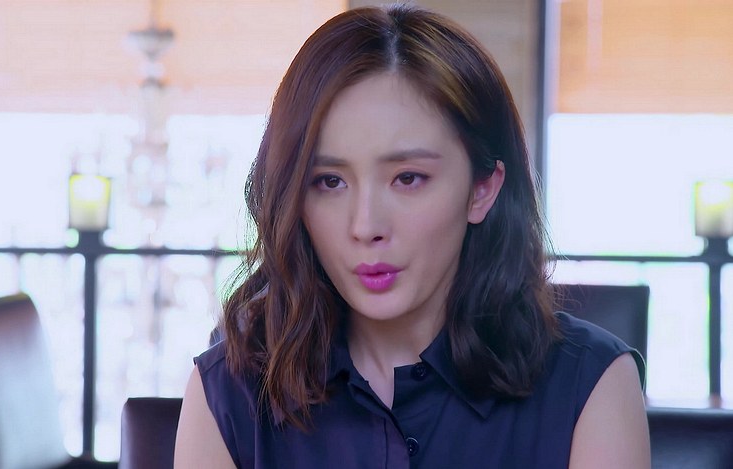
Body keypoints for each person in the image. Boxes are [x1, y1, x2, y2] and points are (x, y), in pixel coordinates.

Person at [174, 4, 650, 468]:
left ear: (482, 189)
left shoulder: (591, 385)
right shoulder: (227, 395)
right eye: (330, 182)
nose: (366, 227)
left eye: (408, 179)